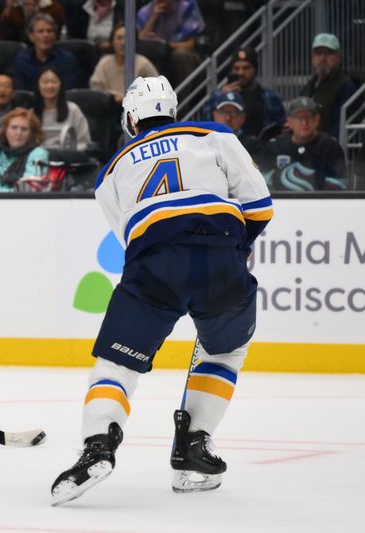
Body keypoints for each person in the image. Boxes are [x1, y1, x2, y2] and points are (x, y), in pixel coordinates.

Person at [50, 76, 273, 505]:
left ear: (131, 118)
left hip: (153, 267)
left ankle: (97, 444)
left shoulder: (111, 171)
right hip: (219, 258)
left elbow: (131, 237)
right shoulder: (213, 134)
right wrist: (231, 249)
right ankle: (193, 449)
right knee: (223, 352)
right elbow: (260, 206)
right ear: (172, 111)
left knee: (117, 362)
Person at [261, 97, 349, 192]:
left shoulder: (331, 146)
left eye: (308, 117)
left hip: (321, 204)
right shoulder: (274, 146)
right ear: (289, 122)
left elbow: (340, 183)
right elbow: (263, 183)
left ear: (317, 120)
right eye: (299, 118)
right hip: (283, 204)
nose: (304, 123)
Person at [216, 47, 286, 139]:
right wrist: (223, 97)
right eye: (236, 68)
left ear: (255, 69)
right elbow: (208, 124)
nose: (241, 72)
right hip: (228, 148)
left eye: (246, 68)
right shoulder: (218, 96)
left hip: (262, 150)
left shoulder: (271, 97)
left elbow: (281, 128)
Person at [299, 33, 358, 139]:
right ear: (312, 57)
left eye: (329, 53)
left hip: (325, 149)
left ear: (338, 57)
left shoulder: (345, 86)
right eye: (318, 53)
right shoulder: (310, 85)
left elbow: (339, 129)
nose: (323, 58)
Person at [137, 0, 205, 86]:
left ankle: (181, 97)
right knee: (141, 57)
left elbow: (190, 44)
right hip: (156, 54)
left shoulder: (187, 7)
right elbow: (139, 41)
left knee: (181, 55)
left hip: (182, 52)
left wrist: (166, 45)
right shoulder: (145, 11)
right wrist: (154, 17)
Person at [90, 23, 159, 105]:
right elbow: (96, 89)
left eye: (128, 38)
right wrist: (114, 96)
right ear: (112, 42)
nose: (123, 43)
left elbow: (156, 92)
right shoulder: (104, 62)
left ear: (135, 42)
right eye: (119, 38)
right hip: (108, 108)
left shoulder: (143, 64)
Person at [12, 13, 77, 91]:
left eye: (49, 31)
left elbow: (69, 92)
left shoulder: (67, 60)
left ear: (55, 35)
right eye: (41, 31)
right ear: (31, 37)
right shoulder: (21, 61)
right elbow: (21, 93)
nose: (46, 35)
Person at [33, 66, 91, 151]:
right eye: (45, 82)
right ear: (38, 85)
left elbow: (84, 142)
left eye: (54, 82)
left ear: (61, 84)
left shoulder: (73, 110)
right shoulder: (31, 114)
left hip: (68, 157)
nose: (50, 86)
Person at [210, 91, 264, 165]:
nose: (228, 118)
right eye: (223, 112)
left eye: (234, 113)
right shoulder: (205, 141)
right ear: (215, 115)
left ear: (242, 117)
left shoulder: (252, 144)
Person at [0, 0, 66, 43]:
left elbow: (55, 35)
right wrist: (8, 10)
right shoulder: (15, 9)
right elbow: (3, 38)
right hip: (18, 49)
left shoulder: (54, 9)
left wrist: (33, 13)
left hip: (45, 46)